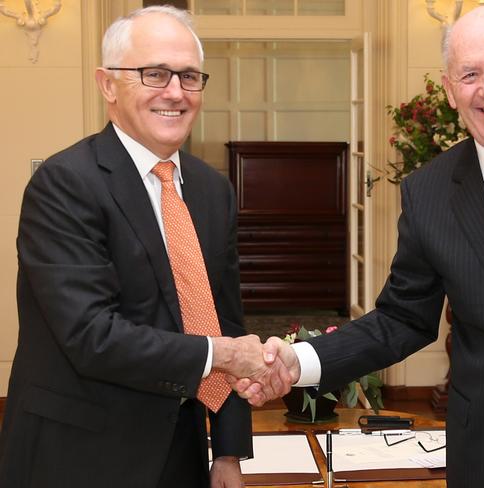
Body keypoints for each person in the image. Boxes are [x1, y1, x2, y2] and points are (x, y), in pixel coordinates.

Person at [232, 6, 484, 488]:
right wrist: (298, 360)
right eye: (469, 74)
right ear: (450, 90)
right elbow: (402, 319)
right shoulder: (428, 193)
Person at [0, 6, 292, 488]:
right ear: (108, 84)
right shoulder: (64, 184)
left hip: (181, 450)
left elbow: (224, 320)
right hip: (79, 456)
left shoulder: (211, 189)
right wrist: (220, 355)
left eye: (189, 76)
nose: (175, 92)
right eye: (154, 73)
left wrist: (229, 452)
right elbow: (93, 337)